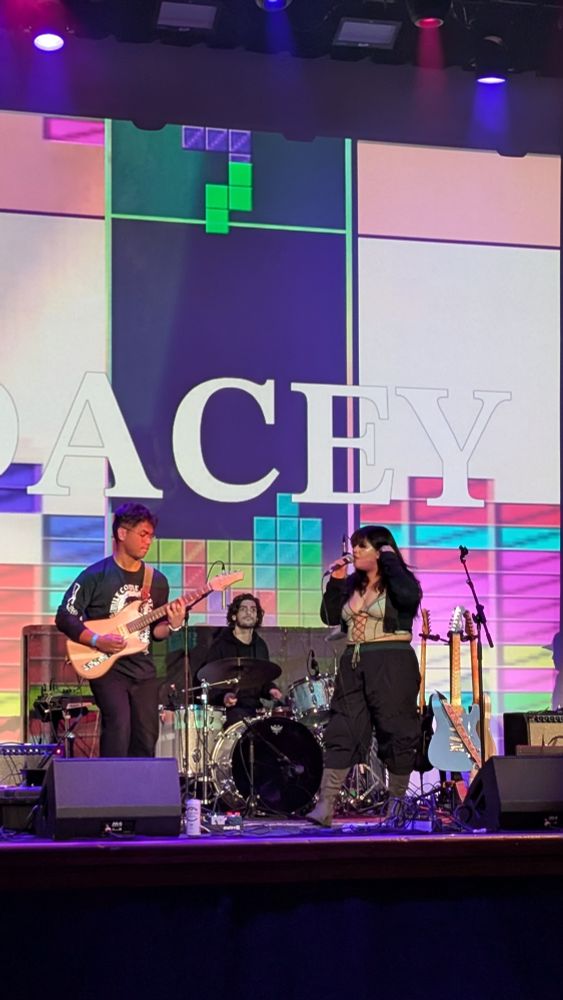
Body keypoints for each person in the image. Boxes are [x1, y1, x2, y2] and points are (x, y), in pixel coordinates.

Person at [308, 525, 422, 827]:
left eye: (363, 546)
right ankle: (326, 805)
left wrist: (390, 561)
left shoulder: (399, 583)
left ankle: (396, 805)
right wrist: (336, 581)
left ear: (382, 551)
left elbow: (410, 598)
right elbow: (331, 617)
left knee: (395, 729)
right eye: (354, 545)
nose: (354, 551)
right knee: (342, 727)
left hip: (392, 661)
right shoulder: (354, 585)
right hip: (353, 661)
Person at [55, 502, 189, 757]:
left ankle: (140, 794)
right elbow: (65, 616)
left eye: (151, 535)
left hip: (144, 669)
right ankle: (112, 793)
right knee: (118, 726)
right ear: (122, 533)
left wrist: (173, 625)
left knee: (146, 734)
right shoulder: (95, 575)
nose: (148, 541)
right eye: (143, 534)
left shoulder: (157, 581)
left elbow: (155, 633)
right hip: (108, 667)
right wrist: (96, 640)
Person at [198, 593, 284, 728]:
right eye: (243, 609)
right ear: (234, 616)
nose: (249, 613)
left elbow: (262, 679)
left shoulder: (260, 645)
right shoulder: (220, 645)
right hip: (228, 712)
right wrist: (224, 697)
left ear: (257, 618)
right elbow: (210, 682)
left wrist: (271, 689)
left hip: (255, 708)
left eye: (253, 610)